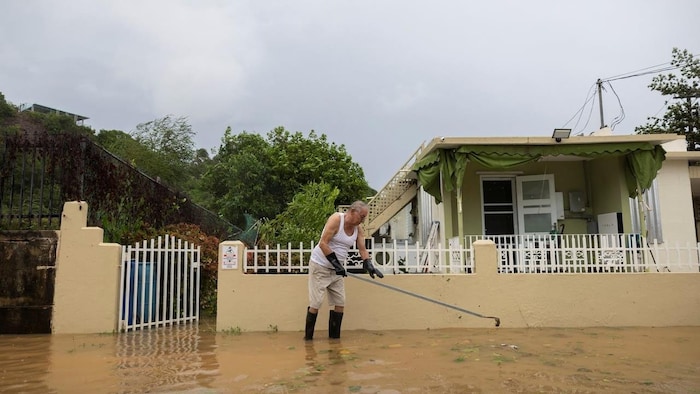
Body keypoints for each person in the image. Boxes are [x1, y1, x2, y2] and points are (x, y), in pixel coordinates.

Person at [304, 200, 384, 340]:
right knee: (316, 303)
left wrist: (368, 264)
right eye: (362, 217)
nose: (363, 220)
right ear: (353, 211)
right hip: (320, 266)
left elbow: (362, 248)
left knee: (340, 303)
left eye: (364, 217)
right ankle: (308, 339)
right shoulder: (336, 219)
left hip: (337, 270)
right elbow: (323, 243)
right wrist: (336, 263)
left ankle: (334, 340)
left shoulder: (358, 229)